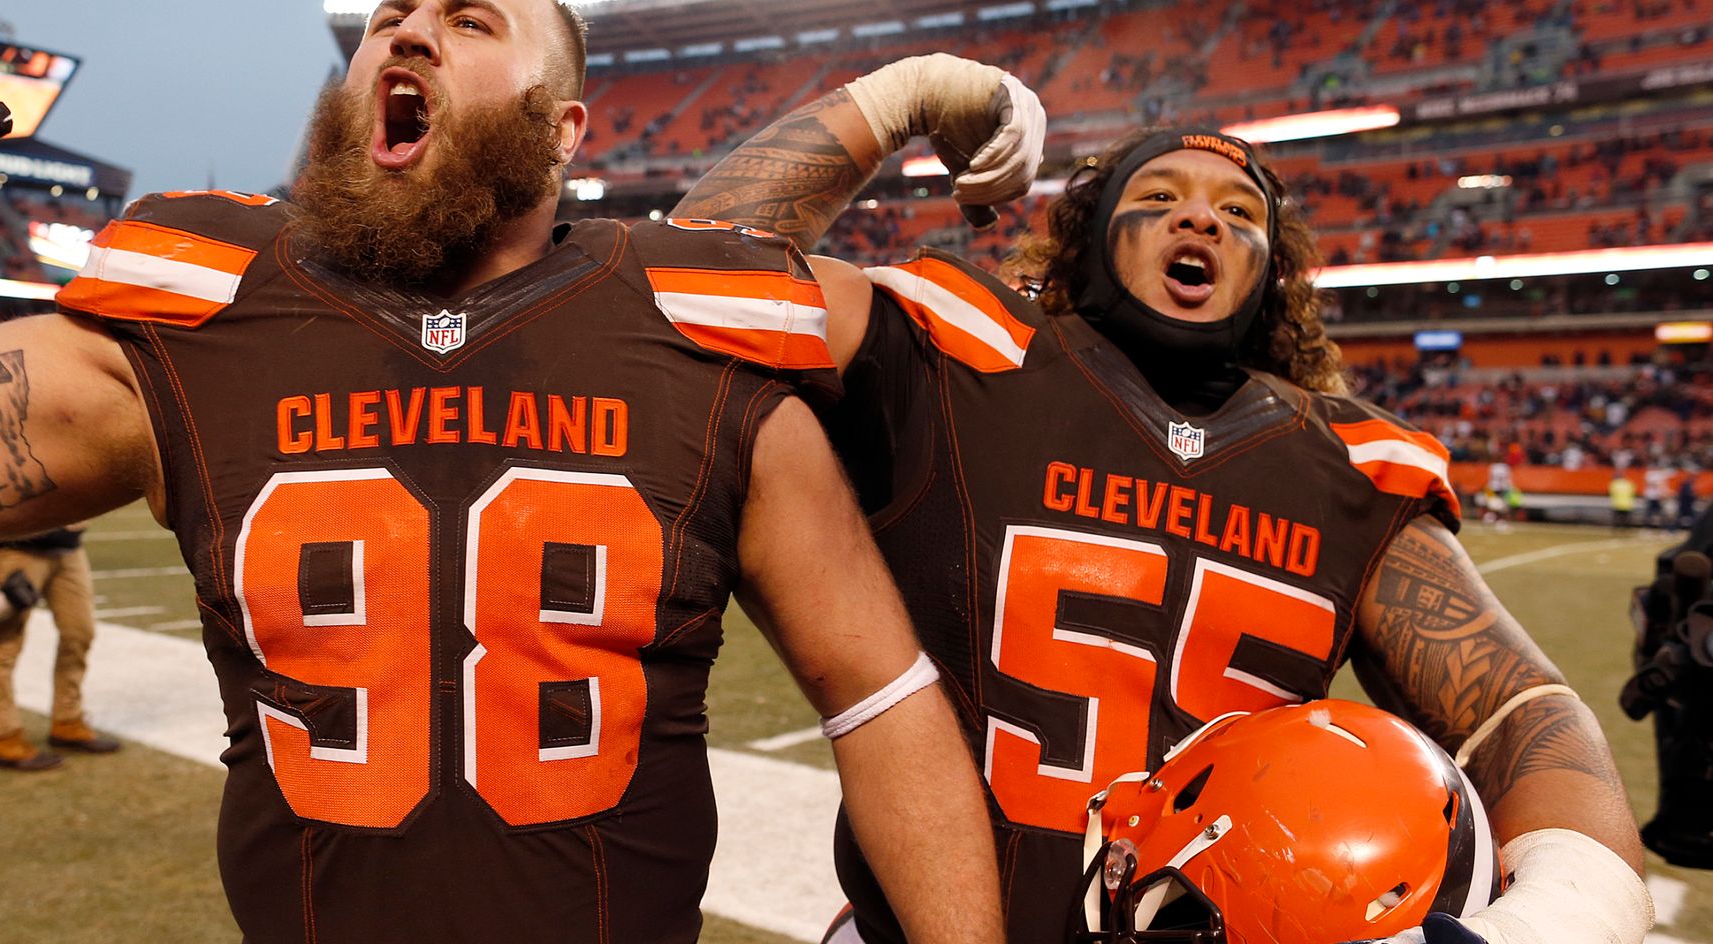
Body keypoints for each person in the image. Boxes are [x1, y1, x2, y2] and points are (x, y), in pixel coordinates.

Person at [0, 0, 1004, 944]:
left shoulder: (689, 322)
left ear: (561, 130)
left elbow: (878, 697)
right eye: (391, 17)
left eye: (469, 19)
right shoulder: (202, 310)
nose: (405, 29)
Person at [675, 93, 1653, 944]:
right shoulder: (960, 350)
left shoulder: (1349, 464)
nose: (1201, 218)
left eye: (1238, 211)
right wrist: (891, 103)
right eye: (1157, 198)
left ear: (1269, 270)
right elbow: (682, 283)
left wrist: (1557, 915)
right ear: (1090, 236)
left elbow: (1515, 711)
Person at [0, 526, 118, 771]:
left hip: (68, 550)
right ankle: (5, 738)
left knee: (80, 633)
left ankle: (67, 721)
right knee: (5, 646)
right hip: (16, 549)